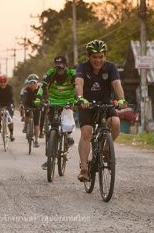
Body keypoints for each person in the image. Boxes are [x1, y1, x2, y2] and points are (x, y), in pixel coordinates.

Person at [75, 40, 127, 182]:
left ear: (105, 56)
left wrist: (121, 99)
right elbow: (79, 83)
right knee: (86, 133)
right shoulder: (82, 67)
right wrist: (80, 98)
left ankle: (106, 149)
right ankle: (84, 169)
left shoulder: (111, 67)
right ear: (88, 56)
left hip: (105, 104)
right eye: (94, 57)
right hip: (87, 105)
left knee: (115, 123)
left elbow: (116, 84)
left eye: (101, 57)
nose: (98, 60)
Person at [36, 55, 76, 170]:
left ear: (66, 66)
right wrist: (38, 97)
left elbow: (78, 86)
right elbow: (42, 86)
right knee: (50, 131)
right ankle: (49, 159)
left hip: (67, 102)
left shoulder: (72, 74)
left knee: (67, 123)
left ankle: (68, 136)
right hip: (53, 102)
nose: (59, 69)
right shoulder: (51, 73)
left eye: (61, 66)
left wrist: (79, 98)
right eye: (57, 66)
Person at [20, 74, 42, 148]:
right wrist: (22, 105)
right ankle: (26, 126)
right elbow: (23, 99)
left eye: (34, 83)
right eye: (31, 83)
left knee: (36, 124)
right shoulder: (25, 90)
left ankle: (36, 140)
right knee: (27, 114)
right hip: (28, 105)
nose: (32, 84)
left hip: (37, 106)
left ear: (37, 83)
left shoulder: (40, 90)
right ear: (28, 83)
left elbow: (42, 98)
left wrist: (42, 104)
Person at [0, 74, 15, 141]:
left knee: (10, 119)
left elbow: (11, 98)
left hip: (8, 104)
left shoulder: (9, 88)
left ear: (6, 82)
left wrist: (12, 105)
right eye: (1, 82)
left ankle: (11, 134)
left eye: (4, 82)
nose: (2, 84)